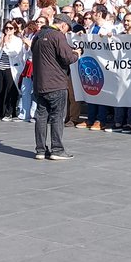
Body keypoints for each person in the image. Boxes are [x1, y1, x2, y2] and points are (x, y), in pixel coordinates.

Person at [32, 15, 79, 160]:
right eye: (67, 29)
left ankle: (40, 150)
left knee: (41, 117)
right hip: (56, 83)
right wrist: (77, 53)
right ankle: (57, 150)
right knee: (57, 116)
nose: (66, 32)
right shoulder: (58, 35)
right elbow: (67, 58)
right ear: (63, 25)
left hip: (40, 83)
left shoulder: (38, 35)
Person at [0, 20, 27, 121]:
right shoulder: (1, 38)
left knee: (10, 91)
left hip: (11, 68)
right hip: (0, 67)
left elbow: (14, 53)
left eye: (11, 28)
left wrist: (6, 44)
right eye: (6, 28)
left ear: (15, 29)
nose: (8, 30)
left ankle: (9, 113)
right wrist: (0, 44)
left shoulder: (17, 40)